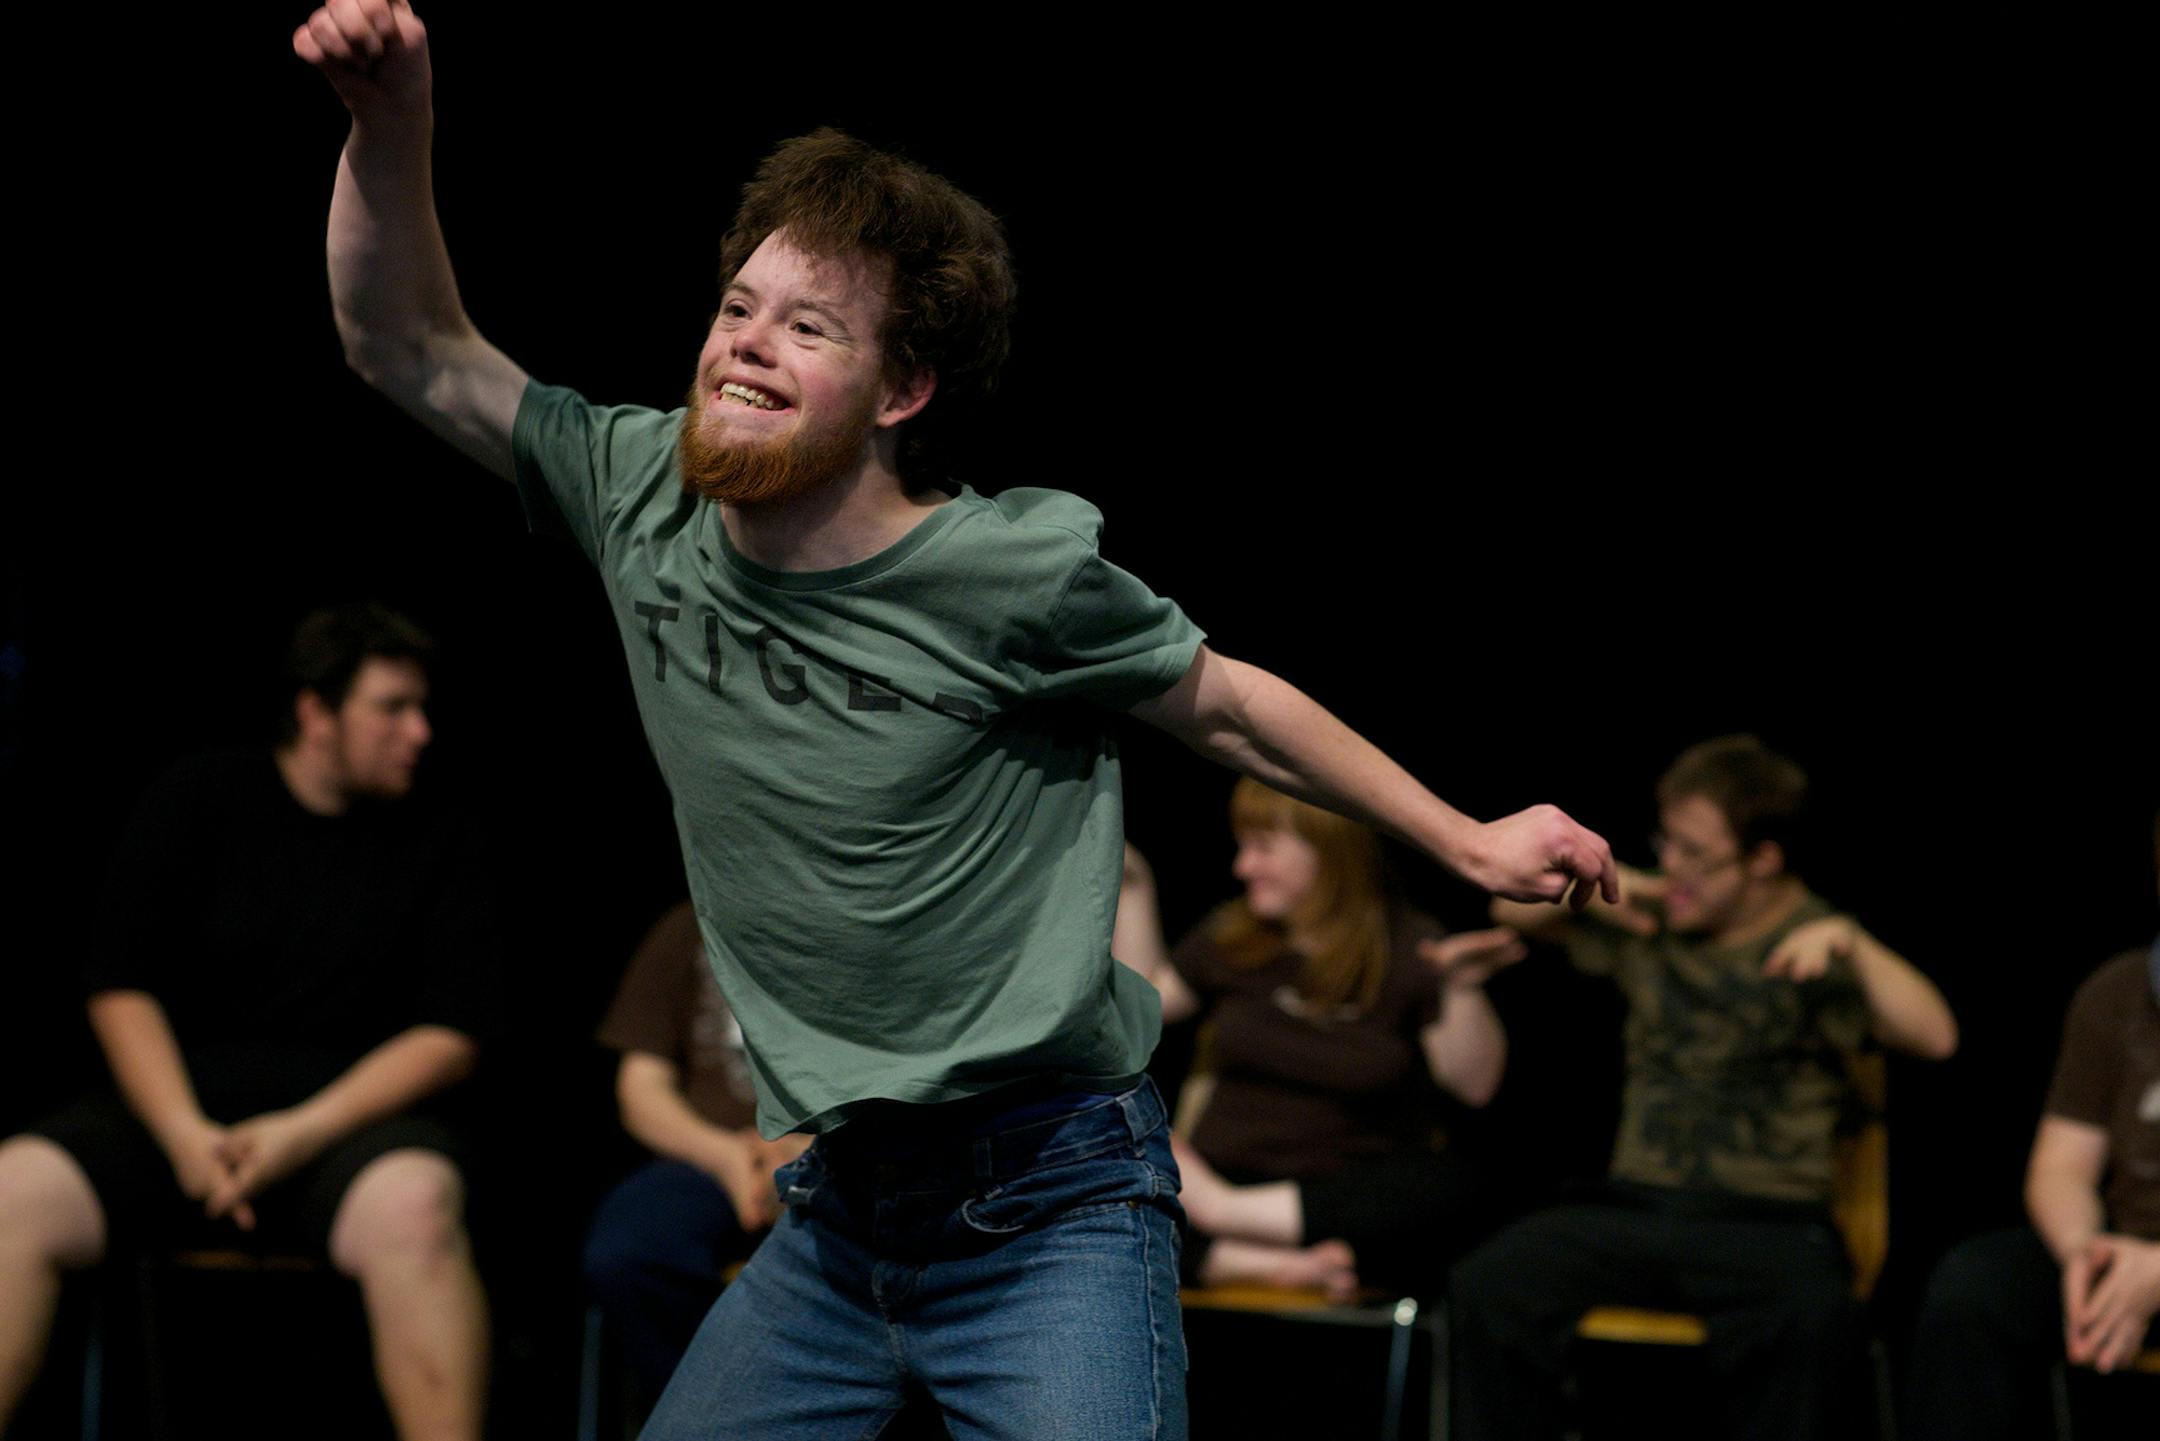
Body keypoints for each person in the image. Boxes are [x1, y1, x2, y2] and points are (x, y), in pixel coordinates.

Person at [294, 5, 1621, 1436]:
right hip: (835, 1213)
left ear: (901, 388)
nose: (744, 348)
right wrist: (393, 122)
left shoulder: (1008, 572)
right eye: (736, 307)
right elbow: (407, 345)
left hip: (1049, 1203)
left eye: (807, 328)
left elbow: (1228, 704)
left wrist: (1466, 836)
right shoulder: (639, 493)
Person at [0, 603, 501, 1441]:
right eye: (392, 707)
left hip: (346, 1127)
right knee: (14, 1186)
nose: (419, 730)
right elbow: (120, 986)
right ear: (316, 712)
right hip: (180, 1119)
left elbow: (451, 1034)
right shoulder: (200, 797)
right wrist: (185, 1136)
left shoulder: (443, 835)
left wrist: (298, 1134)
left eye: (422, 707)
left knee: (416, 1206)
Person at [1448, 734, 1959, 1441]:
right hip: (1638, 1206)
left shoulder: (1815, 943)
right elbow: (1511, 912)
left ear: (1764, 859)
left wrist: (1850, 940)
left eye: (1697, 853)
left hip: (1767, 1220)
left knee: (1815, 1320)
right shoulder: (1655, 918)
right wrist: (1642, 881)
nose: (1676, 865)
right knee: (1491, 1283)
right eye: (1670, 844)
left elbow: (1936, 1034)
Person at [1114, 781, 1525, 1299]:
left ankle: (1226, 1240)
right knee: (1111, 1181)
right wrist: (1134, 886)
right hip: (1222, 1174)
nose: (1243, 867)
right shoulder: (1235, 939)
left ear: (1326, 851)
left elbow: (1476, 1086)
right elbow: (1134, 1015)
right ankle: (1256, 1262)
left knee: (1462, 1191)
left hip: (1337, 1198)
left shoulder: (1406, 949)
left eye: (1263, 847)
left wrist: (1459, 989)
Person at [1902, 817, 2160, 1441]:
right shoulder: (2121, 991)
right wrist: (2081, 1249)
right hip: (2121, 1253)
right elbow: (2060, 1167)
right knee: (1978, 1287)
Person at [581, 899, 808, 1403]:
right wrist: (726, 1157)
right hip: (710, 1154)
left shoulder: (869, 917)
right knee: (627, 1252)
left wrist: (812, 1150)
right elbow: (640, 1090)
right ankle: (717, 1412)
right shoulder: (688, 924)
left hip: (847, 1153)